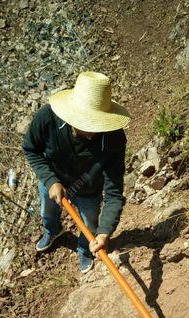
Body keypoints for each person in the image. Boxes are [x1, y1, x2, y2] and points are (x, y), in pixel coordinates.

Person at [22, 71, 130, 273]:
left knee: (89, 225)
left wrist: (105, 232)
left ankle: (84, 247)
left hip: (89, 189)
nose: (94, 130)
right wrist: (50, 180)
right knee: (47, 210)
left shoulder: (114, 140)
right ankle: (52, 230)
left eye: (98, 123)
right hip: (53, 178)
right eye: (88, 122)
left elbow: (114, 193)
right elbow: (30, 149)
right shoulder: (47, 117)